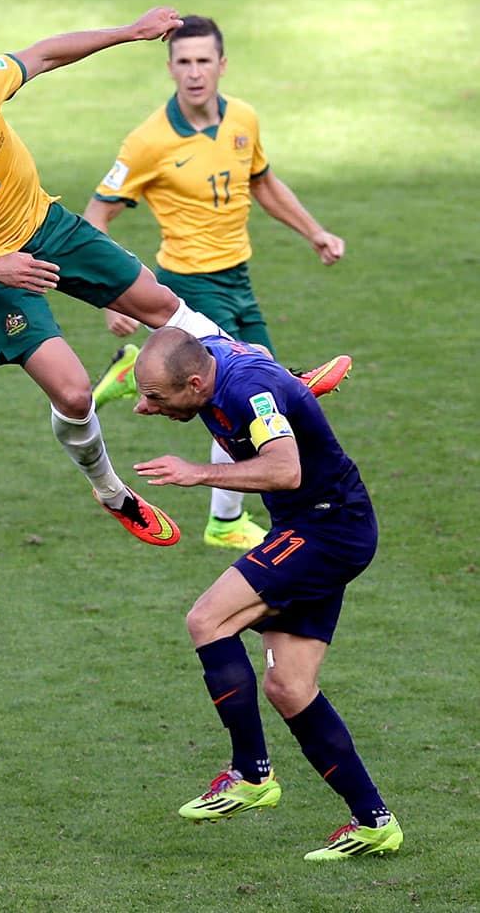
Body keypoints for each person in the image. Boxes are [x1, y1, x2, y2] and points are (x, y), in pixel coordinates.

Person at [0, 7, 249, 549]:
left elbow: (45, 53)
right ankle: (112, 493)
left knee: (159, 304)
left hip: (48, 226)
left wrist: (129, 32)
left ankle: (266, 375)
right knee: (75, 393)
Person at [131, 327, 402, 861]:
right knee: (289, 686)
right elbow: (161, 305)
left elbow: (284, 468)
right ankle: (374, 822)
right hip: (315, 526)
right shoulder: (213, 363)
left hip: (327, 529)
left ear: (193, 381)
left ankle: (251, 774)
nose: (146, 408)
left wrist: (196, 473)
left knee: (208, 620)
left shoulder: (244, 390)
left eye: (156, 398)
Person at [84, 14, 350, 553]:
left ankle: (132, 372)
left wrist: (314, 232)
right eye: (183, 62)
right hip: (189, 284)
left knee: (255, 391)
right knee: (245, 399)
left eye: (204, 60)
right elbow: (95, 217)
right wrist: (110, 296)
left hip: (239, 279)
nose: (195, 73)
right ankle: (225, 521)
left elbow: (263, 183)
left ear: (222, 64)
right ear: (170, 68)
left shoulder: (243, 119)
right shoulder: (147, 142)